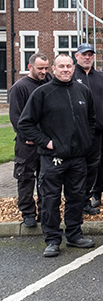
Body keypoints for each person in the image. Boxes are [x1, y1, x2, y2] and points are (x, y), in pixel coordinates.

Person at [18, 54, 97, 257]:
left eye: (69, 66)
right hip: (52, 158)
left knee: (76, 197)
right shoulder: (42, 93)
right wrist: (46, 142)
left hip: (78, 157)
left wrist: (85, 140)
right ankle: (52, 239)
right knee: (51, 199)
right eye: (61, 66)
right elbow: (25, 123)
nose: (65, 69)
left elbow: (91, 120)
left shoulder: (83, 91)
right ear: (53, 68)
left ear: (73, 68)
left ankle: (74, 235)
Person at [9, 53, 50, 228]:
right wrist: (30, 138)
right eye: (40, 68)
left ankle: (44, 211)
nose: (44, 71)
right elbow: (16, 118)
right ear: (30, 67)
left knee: (46, 178)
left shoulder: (49, 84)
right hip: (27, 144)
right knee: (26, 178)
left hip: (45, 143)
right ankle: (28, 213)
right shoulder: (20, 88)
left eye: (46, 68)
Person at [72, 43, 103, 216]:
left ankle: (86, 201)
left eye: (90, 54)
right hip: (76, 133)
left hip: (96, 132)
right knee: (76, 168)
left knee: (92, 167)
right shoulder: (70, 75)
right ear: (77, 56)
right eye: (84, 54)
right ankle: (75, 202)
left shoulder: (101, 78)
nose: (87, 57)